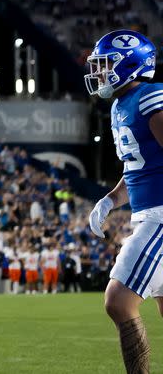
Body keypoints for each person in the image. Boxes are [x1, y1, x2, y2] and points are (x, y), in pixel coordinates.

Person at [86, 30, 163, 373]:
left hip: (160, 215)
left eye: (105, 64)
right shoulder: (121, 105)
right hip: (147, 212)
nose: (98, 72)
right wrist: (110, 199)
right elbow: (137, 166)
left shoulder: (151, 96)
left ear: (128, 64)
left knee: (118, 301)